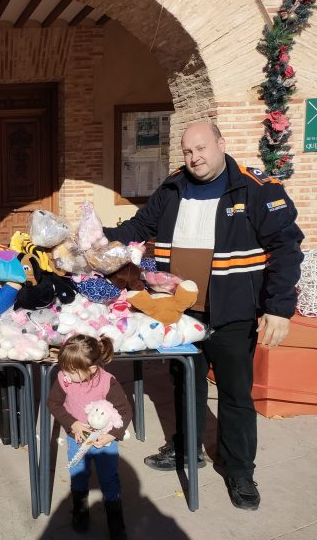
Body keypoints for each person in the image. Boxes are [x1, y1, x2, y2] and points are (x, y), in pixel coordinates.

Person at [104, 122, 304, 511]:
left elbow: (286, 247)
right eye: (187, 151)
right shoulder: (173, 187)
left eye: (201, 148)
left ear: (221, 144)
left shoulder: (256, 189)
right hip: (180, 313)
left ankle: (240, 470)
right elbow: (138, 228)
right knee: (185, 384)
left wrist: (279, 308)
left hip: (233, 313)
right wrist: (97, 237)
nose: (194, 158)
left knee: (234, 394)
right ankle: (186, 447)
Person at [47, 334, 131, 540]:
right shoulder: (64, 380)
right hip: (76, 439)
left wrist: (112, 436)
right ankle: (80, 511)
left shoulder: (108, 383)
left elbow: (125, 410)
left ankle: (115, 521)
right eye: (64, 367)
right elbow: (54, 403)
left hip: (104, 441)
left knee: (109, 478)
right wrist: (72, 423)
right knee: (78, 475)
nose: (66, 373)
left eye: (72, 370)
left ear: (91, 369)